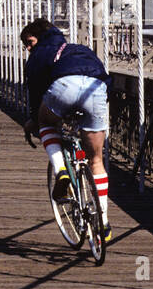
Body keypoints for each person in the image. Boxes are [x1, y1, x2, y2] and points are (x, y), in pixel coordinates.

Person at [20, 18, 112, 240]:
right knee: (96, 159)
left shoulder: (40, 53)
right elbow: (104, 76)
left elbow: (35, 89)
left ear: (39, 37)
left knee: (46, 123)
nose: (28, 49)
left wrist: (33, 119)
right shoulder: (80, 49)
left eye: (29, 42)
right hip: (96, 89)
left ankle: (61, 169)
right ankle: (103, 223)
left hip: (65, 87)